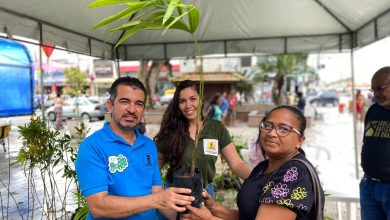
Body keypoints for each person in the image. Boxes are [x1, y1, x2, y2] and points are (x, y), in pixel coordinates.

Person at [75, 77, 194, 220]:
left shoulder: (148, 145)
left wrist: (185, 217)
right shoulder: (92, 147)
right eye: (124, 101)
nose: (132, 109)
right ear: (110, 105)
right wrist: (157, 199)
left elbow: (156, 191)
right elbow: (98, 207)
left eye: (139, 104)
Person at [182, 105, 325, 220]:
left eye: (284, 129)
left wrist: (207, 218)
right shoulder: (263, 168)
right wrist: (215, 209)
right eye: (268, 126)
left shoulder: (294, 173)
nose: (272, 133)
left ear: (300, 140)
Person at [154, 80, 251, 199]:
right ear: (177, 105)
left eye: (193, 99)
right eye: (182, 101)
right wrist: (158, 194)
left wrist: (261, 181)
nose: (188, 105)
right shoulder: (171, 131)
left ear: (201, 100)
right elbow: (153, 169)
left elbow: (237, 164)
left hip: (205, 194)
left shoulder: (216, 128)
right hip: (176, 196)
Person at [360, 66, 390, 220]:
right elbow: (367, 142)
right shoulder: (373, 111)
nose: (376, 93)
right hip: (369, 185)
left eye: (380, 88)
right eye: (373, 89)